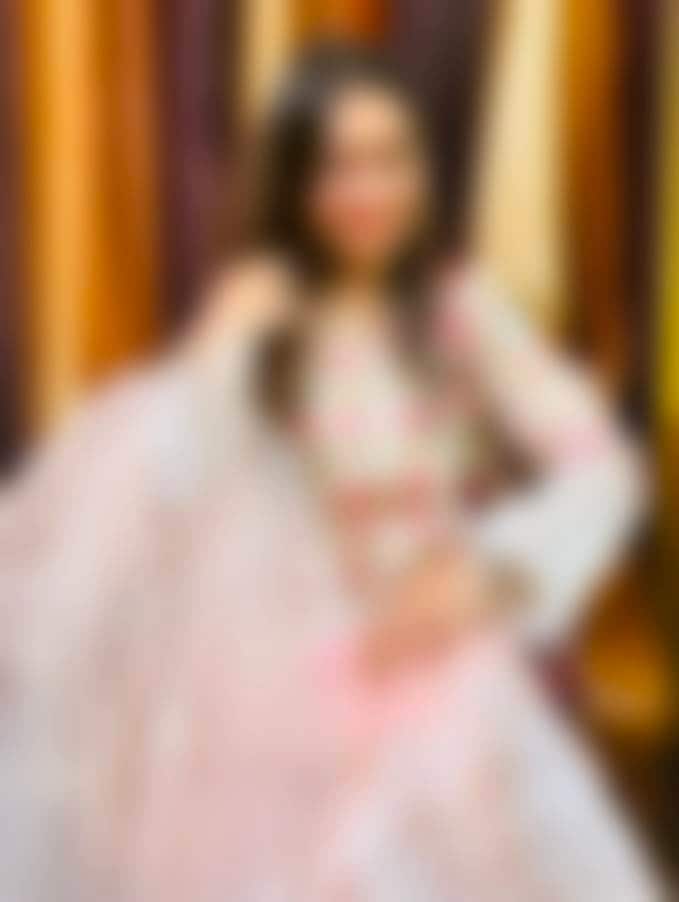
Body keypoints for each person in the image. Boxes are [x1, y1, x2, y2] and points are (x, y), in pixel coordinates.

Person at [0, 44, 659, 900]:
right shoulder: (261, 315)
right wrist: (216, 357)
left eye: (390, 160)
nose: (369, 191)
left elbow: (604, 469)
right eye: (337, 167)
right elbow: (170, 485)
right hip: (279, 704)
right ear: (291, 182)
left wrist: (494, 569)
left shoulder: (453, 310)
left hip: (439, 689)